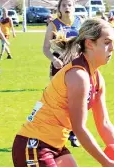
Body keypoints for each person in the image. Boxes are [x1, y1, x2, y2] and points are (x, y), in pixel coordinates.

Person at [12, 18, 114, 167]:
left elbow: (104, 124)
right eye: (107, 42)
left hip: (55, 145)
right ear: (90, 43)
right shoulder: (78, 76)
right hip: (33, 145)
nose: (113, 48)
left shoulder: (96, 78)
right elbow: (79, 129)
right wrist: (105, 162)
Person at [43, 0, 84, 147]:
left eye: (70, 5)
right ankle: (55, 132)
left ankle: (74, 134)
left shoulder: (80, 22)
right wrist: (54, 59)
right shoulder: (54, 24)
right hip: (59, 66)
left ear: (74, 7)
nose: (67, 7)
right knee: (58, 100)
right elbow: (46, 48)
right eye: (64, 5)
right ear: (59, 8)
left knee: (75, 100)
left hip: (76, 65)